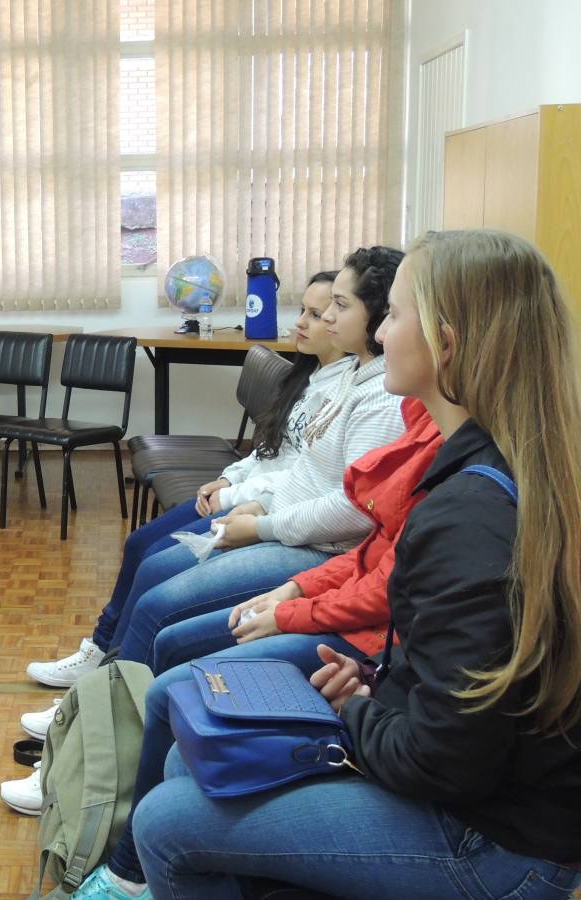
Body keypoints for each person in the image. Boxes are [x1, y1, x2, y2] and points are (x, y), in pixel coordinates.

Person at [134, 230, 581, 899]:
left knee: (166, 821)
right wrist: (375, 682)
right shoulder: (492, 464)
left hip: (493, 844)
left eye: (393, 314)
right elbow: (457, 679)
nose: (378, 331)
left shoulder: (470, 516)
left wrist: (354, 709)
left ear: (446, 343)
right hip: (471, 779)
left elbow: (445, 764)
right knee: (189, 759)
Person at [72, 395, 443, 898]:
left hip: (360, 629)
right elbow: (370, 550)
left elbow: (378, 571)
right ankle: (95, 759)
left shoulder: (440, 453)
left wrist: (291, 600)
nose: (387, 347)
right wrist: (294, 584)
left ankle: (125, 863)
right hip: (342, 603)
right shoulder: (419, 422)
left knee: (167, 657)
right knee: (157, 594)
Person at [25, 271, 353, 693]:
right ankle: (100, 650)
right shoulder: (307, 378)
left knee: (155, 567)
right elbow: (268, 449)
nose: (302, 322)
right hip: (248, 496)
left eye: (320, 312)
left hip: (268, 512)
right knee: (139, 544)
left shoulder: (345, 392)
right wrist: (227, 477)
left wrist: (233, 497)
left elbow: (306, 476)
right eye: (305, 310)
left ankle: (108, 676)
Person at [99, 245, 407, 666]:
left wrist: (261, 525)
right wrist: (259, 504)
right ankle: (105, 676)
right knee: (152, 566)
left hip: (316, 545)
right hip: (283, 521)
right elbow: (305, 464)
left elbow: (354, 510)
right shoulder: (353, 374)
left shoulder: (382, 399)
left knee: (158, 604)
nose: (326, 318)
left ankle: (114, 692)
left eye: (339, 305)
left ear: (376, 313)